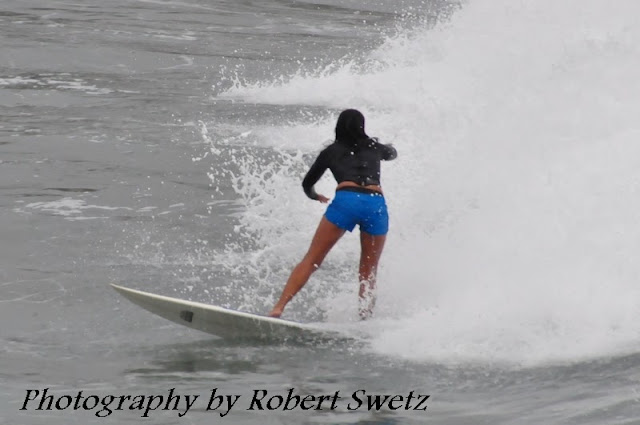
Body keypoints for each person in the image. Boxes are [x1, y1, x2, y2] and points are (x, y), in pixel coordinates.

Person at [268, 109, 397, 320]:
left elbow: (307, 183)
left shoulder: (331, 152)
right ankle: (365, 318)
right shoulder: (374, 147)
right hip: (376, 204)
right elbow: (392, 153)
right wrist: (383, 145)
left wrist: (314, 196)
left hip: (347, 201)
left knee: (311, 260)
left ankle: (278, 308)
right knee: (369, 270)